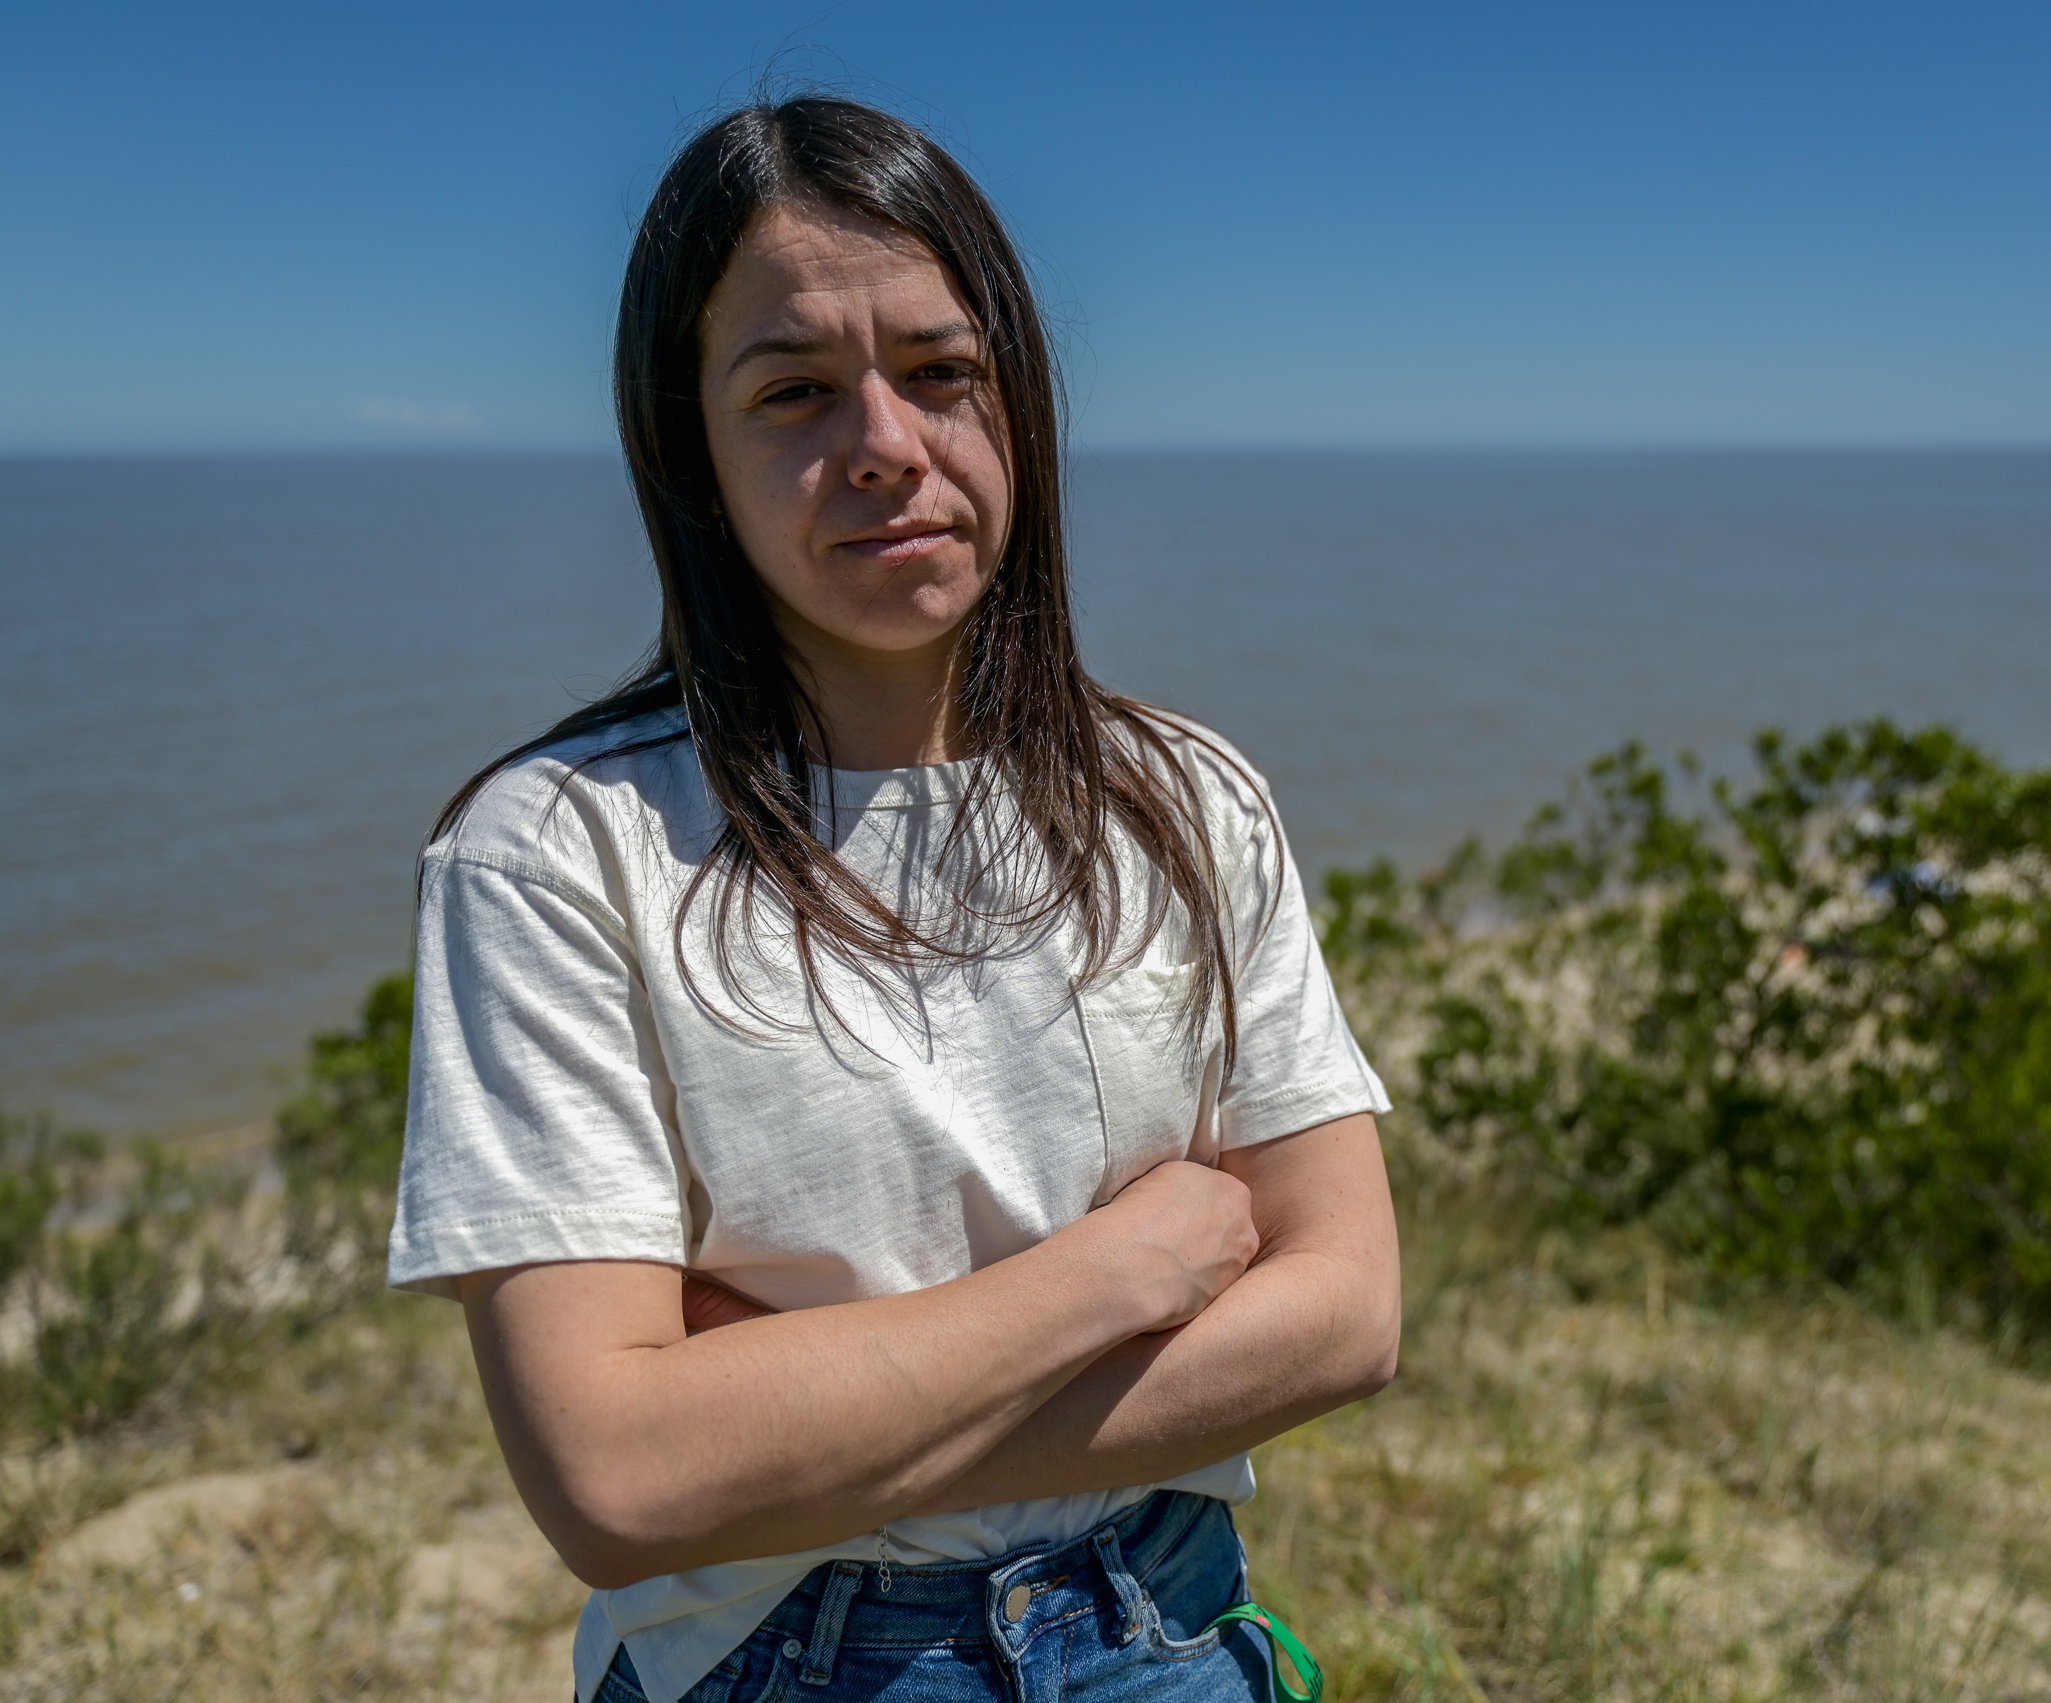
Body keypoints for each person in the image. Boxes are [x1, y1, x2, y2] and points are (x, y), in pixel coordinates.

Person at [387, 96, 1400, 1703]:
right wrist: (1117, 1274)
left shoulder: (1185, 798)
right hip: (793, 1666)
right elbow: (617, 1482)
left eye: (943, 374)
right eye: (793, 392)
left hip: (1172, 1628)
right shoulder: (559, 850)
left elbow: (1345, 1314)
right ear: (691, 455)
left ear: (1021, 404)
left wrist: (787, 1413)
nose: (885, 444)